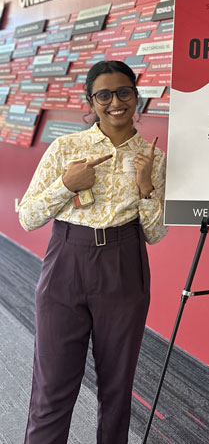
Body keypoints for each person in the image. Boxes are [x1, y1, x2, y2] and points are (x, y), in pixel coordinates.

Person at [18, 60, 168, 443]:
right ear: (91, 101)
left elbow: (155, 234)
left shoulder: (153, 158)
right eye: (104, 94)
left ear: (137, 97)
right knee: (53, 384)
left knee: (117, 387)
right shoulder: (67, 148)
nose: (115, 102)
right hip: (67, 261)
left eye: (124, 92)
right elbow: (29, 218)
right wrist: (66, 185)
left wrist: (146, 186)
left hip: (124, 264)